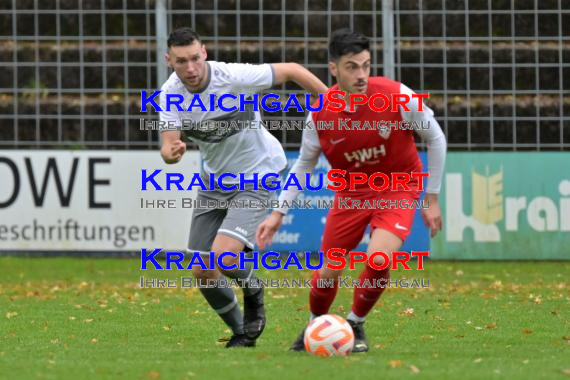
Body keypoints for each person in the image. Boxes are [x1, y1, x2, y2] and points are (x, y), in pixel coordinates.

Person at [256, 29, 447, 353]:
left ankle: (356, 323)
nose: (361, 75)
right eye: (352, 67)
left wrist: (430, 198)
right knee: (328, 271)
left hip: (398, 187)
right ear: (334, 69)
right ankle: (317, 326)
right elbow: (304, 166)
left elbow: (436, 138)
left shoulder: (398, 96)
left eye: (366, 65)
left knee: (378, 258)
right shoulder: (320, 114)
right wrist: (277, 214)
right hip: (351, 194)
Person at [158, 28, 328, 348]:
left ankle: (253, 290)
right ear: (169, 61)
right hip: (215, 182)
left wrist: (334, 102)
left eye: (195, 58)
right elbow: (168, 148)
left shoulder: (233, 76)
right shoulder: (169, 95)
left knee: (222, 258)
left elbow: (292, 70)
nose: (191, 68)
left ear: (204, 53)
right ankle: (242, 333)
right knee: (201, 270)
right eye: (182, 61)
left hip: (258, 173)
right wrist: (172, 153)